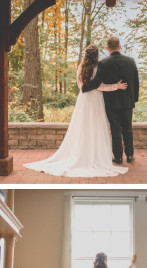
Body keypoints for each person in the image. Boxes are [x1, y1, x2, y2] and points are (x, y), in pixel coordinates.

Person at [24, 44, 129, 177]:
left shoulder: (80, 67)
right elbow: (99, 86)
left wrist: (85, 87)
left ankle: (81, 154)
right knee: (95, 126)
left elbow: (81, 86)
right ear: (96, 55)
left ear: (86, 54)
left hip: (84, 99)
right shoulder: (98, 67)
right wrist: (116, 86)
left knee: (82, 127)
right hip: (95, 99)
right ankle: (95, 156)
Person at [83, 36, 140, 164]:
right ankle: (130, 155)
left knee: (115, 129)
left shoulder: (103, 63)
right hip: (127, 101)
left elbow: (97, 82)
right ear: (120, 47)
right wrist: (134, 99)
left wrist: (85, 88)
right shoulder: (131, 61)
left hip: (111, 102)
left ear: (108, 48)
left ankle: (118, 157)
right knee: (128, 128)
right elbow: (136, 82)